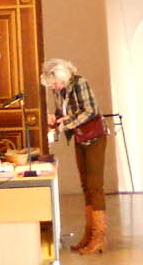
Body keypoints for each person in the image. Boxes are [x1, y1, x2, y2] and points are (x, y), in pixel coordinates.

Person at [41, 57, 108, 254]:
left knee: (95, 186)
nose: (53, 88)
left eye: (54, 83)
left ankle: (99, 237)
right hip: (80, 138)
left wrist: (67, 123)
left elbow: (90, 110)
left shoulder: (80, 83)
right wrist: (55, 119)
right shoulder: (59, 91)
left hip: (94, 138)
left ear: (61, 77)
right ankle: (89, 235)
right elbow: (63, 113)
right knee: (86, 186)